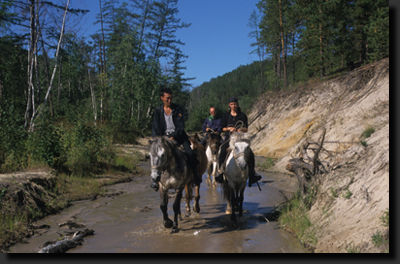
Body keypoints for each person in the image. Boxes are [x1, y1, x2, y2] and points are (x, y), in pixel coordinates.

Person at [151, 87, 202, 191]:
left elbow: (180, 126)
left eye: (171, 98)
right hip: (163, 139)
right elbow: (155, 128)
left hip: (178, 137)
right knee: (154, 155)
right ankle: (155, 180)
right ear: (162, 98)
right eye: (167, 98)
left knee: (190, 154)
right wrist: (157, 140)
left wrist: (173, 136)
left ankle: (195, 176)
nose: (169, 100)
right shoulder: (157, 111)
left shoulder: (178, 109)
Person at [215, 97, 262, 187]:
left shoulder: (242, 115)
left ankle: (252, 173)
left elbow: (246, 128)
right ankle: (221, 172)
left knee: (250, 152)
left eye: (235, 104)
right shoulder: (225, 116)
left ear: (237, 104)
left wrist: (241, 130)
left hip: (240, 138)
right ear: (229, 105)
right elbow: (222, 128)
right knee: (222, 150)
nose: (233, 106)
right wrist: (229, 128)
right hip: (229, 137)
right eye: (232, 104)